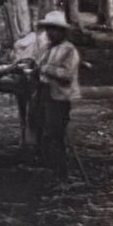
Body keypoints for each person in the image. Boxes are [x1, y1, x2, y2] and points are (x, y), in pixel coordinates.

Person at [32, 10, 81, 179]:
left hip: (59, 97)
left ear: (63, 31)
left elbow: (67, 75)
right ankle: (47, 167)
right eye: (48, 29)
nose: (50, 33)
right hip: (44, 92)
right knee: (39, 127)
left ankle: (60, 172)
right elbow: (38, 66)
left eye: (54, 29)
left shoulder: (69, 50)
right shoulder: (46, 48)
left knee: (54, 134)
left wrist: (45, 69)